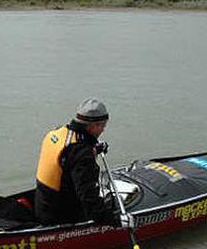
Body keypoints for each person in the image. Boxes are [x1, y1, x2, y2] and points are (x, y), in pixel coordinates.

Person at [34, 97, 134, 228]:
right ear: (93, 126)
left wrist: (95, 149)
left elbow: (68, 159)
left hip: (41, 204)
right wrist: (115, 221)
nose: (103, 130)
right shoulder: (82, 153)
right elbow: (88, 200)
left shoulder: (57, 133)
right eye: (103, 125)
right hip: (58, 217)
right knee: (107, 203)